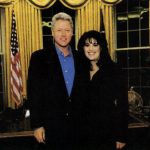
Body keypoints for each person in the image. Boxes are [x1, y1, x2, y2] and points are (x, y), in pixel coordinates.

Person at [27, 12, 89, 150]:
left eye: (67, 30)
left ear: (72, 33)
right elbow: (34, 93)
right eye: (59, 30)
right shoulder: (39, 58)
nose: (63, 34)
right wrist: (37, 125)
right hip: (51, 129)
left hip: (79, 129)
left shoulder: (82, 58)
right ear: (52, 32)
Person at [78, 30, 128, 150]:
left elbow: (122, 104)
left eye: (95, 44)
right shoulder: (79, 71)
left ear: (101, 47)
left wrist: (121, 136)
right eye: (87, 45)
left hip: (107, 134)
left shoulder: (114, 70)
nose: (91, 49)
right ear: (82, 48)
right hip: (82, 135)